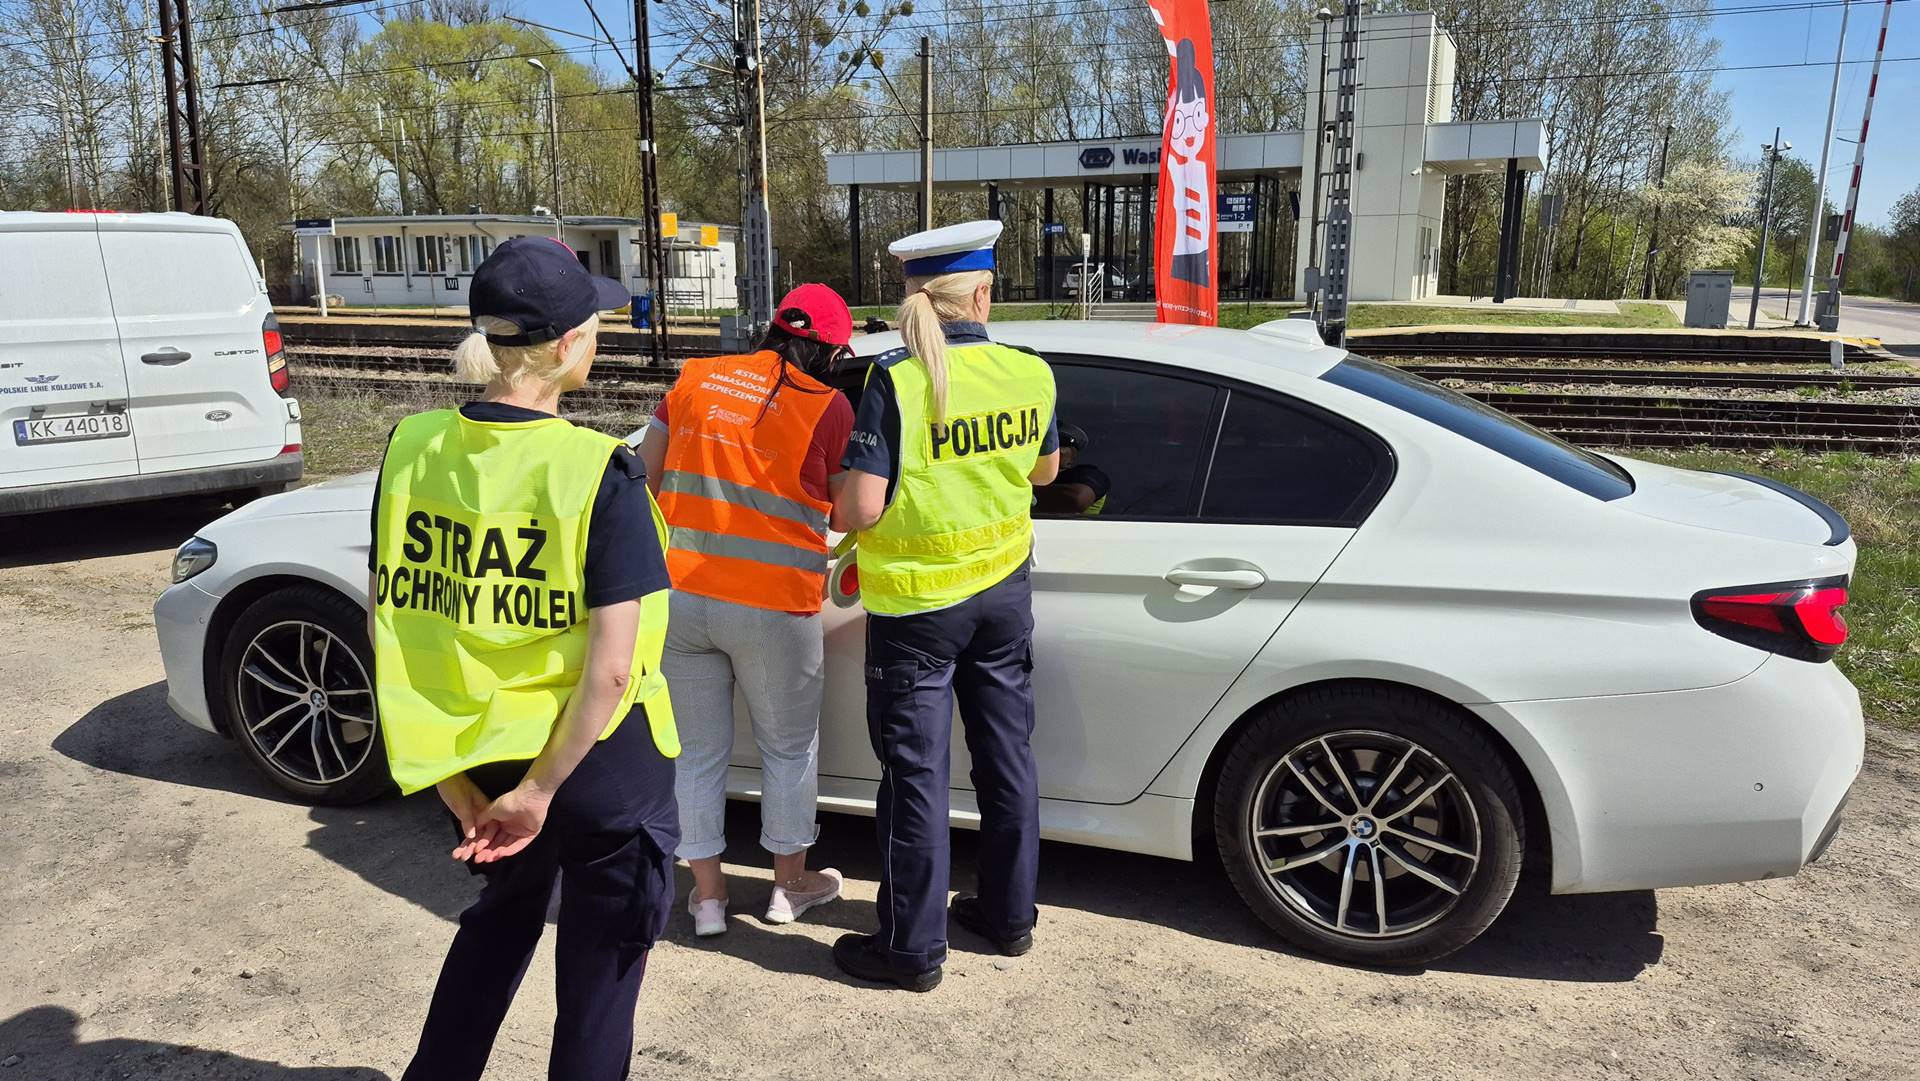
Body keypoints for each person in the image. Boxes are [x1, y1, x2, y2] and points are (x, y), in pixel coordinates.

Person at [368, 237, 680, 1081]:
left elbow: (394, 616)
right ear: (574, 344)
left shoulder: (412, 448)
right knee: (600, 968)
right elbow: (612, 667)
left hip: (481, 752)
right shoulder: (598, 473)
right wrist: (539, 793)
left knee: (498, 920)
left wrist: (452, 779)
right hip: (596, 764)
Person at [828, 220, 1059, 992]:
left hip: (919, 613)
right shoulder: (1030, 372)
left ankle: (912, 949)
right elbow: (1048, 469)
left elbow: (858, 508)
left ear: (914, 295)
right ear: (984, 293)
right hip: (1003, 596)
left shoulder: (896, 380)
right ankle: (1009, 916)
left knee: (917, 776)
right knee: (1006, 755)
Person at [637, 284, 856, 936]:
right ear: (830, 350)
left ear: (770, 327)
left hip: (684, 596)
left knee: (698, 753)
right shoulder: (829, 405)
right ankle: (789, 887)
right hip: (773, 607)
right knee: (788, 748)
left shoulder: (694, 381)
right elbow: (846, 512)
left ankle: (707, 898)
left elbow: (644, 476)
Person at [1033, 422, 1110, 516]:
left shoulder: (1092, 476)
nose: (1047, 451)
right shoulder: (1030, 475)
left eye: (1056, 446)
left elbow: (1077, 499)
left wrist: (1022, 489)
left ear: (1071, 458)